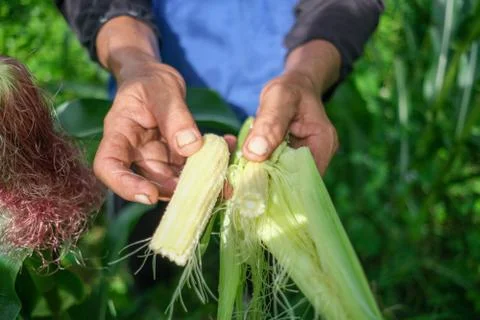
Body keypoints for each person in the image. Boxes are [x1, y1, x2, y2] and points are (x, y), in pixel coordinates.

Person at [55, 0, 383, 204]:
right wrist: (135, 62)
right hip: (152, 128)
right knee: (155, 257)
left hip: (282, 119)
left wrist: (306, 77)